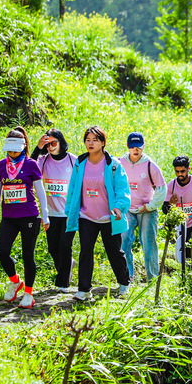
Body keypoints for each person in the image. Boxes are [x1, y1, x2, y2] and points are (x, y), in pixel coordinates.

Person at [64, 126, 132, 301]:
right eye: (88, 140)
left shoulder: (114, 165)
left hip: (109, 217)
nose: (91, 143)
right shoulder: (80, 163)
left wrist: (119, 207)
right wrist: (69, 211)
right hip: (87, 216)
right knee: (86, 251)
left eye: (95, 140)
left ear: (103, 142)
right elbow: (73, 189)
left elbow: (123, 189)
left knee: (114, 252)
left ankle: (124, 283)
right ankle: (84, 290)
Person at [0, 127, 49, 309]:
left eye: (15, 149)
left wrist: (45, 215)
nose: (12, 153)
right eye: (10, 149)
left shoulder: (31, 164)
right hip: (9, 217)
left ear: (23, 146)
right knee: (2, 251)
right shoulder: (1, 165)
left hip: (29, 215)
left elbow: (40, 191)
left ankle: (29, 293)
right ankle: (15, 281)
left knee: (27, 255)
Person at [31, 129, 77, 292]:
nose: (50, 147)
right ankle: (68, 266)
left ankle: (63, 283)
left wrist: (75, 211)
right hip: (50, 213)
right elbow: (28, 167)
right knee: (53, 248)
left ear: (61, 142)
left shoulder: (72, 160)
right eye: (48, 144)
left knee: (65, 246)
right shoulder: (43, 160)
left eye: (54, 143)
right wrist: (38, 148)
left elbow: (80, 185)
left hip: (68, 212)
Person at [119, 132, 166, 283]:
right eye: (132, 147)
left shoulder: (150, 165)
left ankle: (152, 280)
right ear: (127, 146)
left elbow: (161, 189)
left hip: (146, 210)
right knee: (124, 242)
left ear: (143, 146)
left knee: (148, 243)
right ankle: (127, 278)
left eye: (138, 147)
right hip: (127, 209)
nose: (135, 150)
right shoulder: (120, 163)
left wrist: (151, 206)